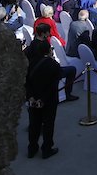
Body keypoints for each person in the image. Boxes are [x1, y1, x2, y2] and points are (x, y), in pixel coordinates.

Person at [24, 24, 63, 159]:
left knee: (34, 124)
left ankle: (32, 148)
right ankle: (47, 148)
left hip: (33, 98)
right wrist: (43, 99)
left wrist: (30, 97)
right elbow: (53, 86)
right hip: (48, 100)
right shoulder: (53, 65)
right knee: (48, 124)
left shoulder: (31, 63)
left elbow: (27, 81)